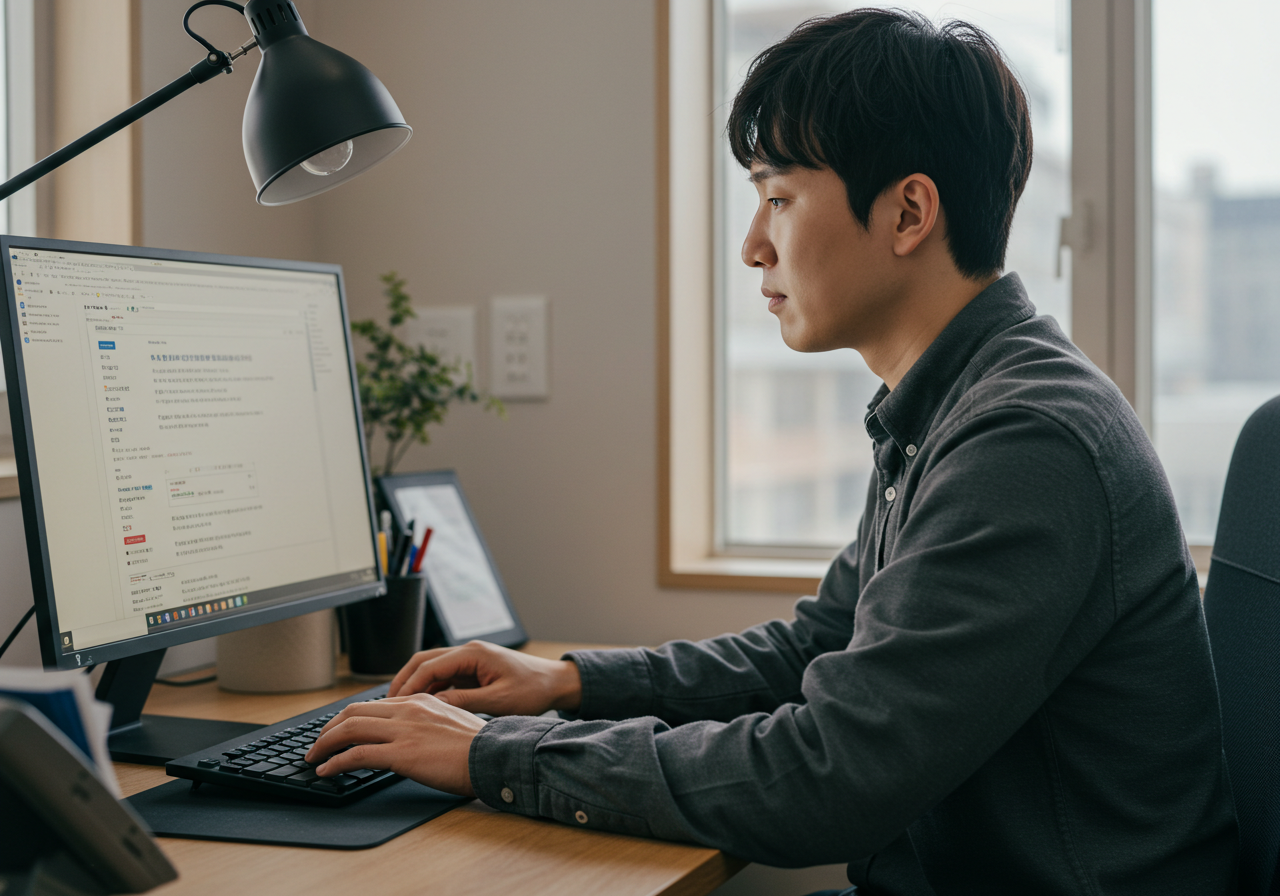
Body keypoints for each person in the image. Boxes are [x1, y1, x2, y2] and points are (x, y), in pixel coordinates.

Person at [306, 9, 1237, 894]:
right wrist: (571, 683)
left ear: (909, 213)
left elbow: (828, 774)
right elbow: (819, 647)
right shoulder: (953, 404)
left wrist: (489, 755)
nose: (753, 246)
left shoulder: (1024, 442)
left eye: (779, 198)